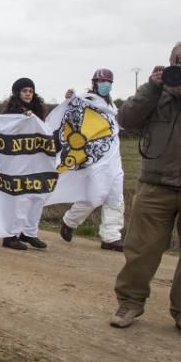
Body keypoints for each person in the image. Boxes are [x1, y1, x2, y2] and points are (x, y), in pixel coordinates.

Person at [110, 40, 181, 339]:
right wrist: (151, 88)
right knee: (141, 249)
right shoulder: (156, 92)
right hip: (155, 185)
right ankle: (130, 303)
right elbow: (125, 120)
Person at [59, 69, 125, 251]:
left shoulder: (111, 105)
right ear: (94, 82)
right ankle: (70, 221)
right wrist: (68, 99)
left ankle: (111, 237)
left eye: (109, 81)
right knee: (95, 196)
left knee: (115, 199)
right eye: (102, 81)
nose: (106, 84)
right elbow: (71, 115)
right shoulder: (86, 99)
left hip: (114, 158)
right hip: (97, 157)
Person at [1, 77, 49, 251]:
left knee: (38, 195)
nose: (28, 94)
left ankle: (29, 232)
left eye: (30, 91)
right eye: (24, 91)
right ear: (17, 93)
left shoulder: (37, 112)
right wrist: (22, 119)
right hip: (17, 161)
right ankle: (11, 235)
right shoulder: (10, 114)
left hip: (35, 161)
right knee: (20, 198)